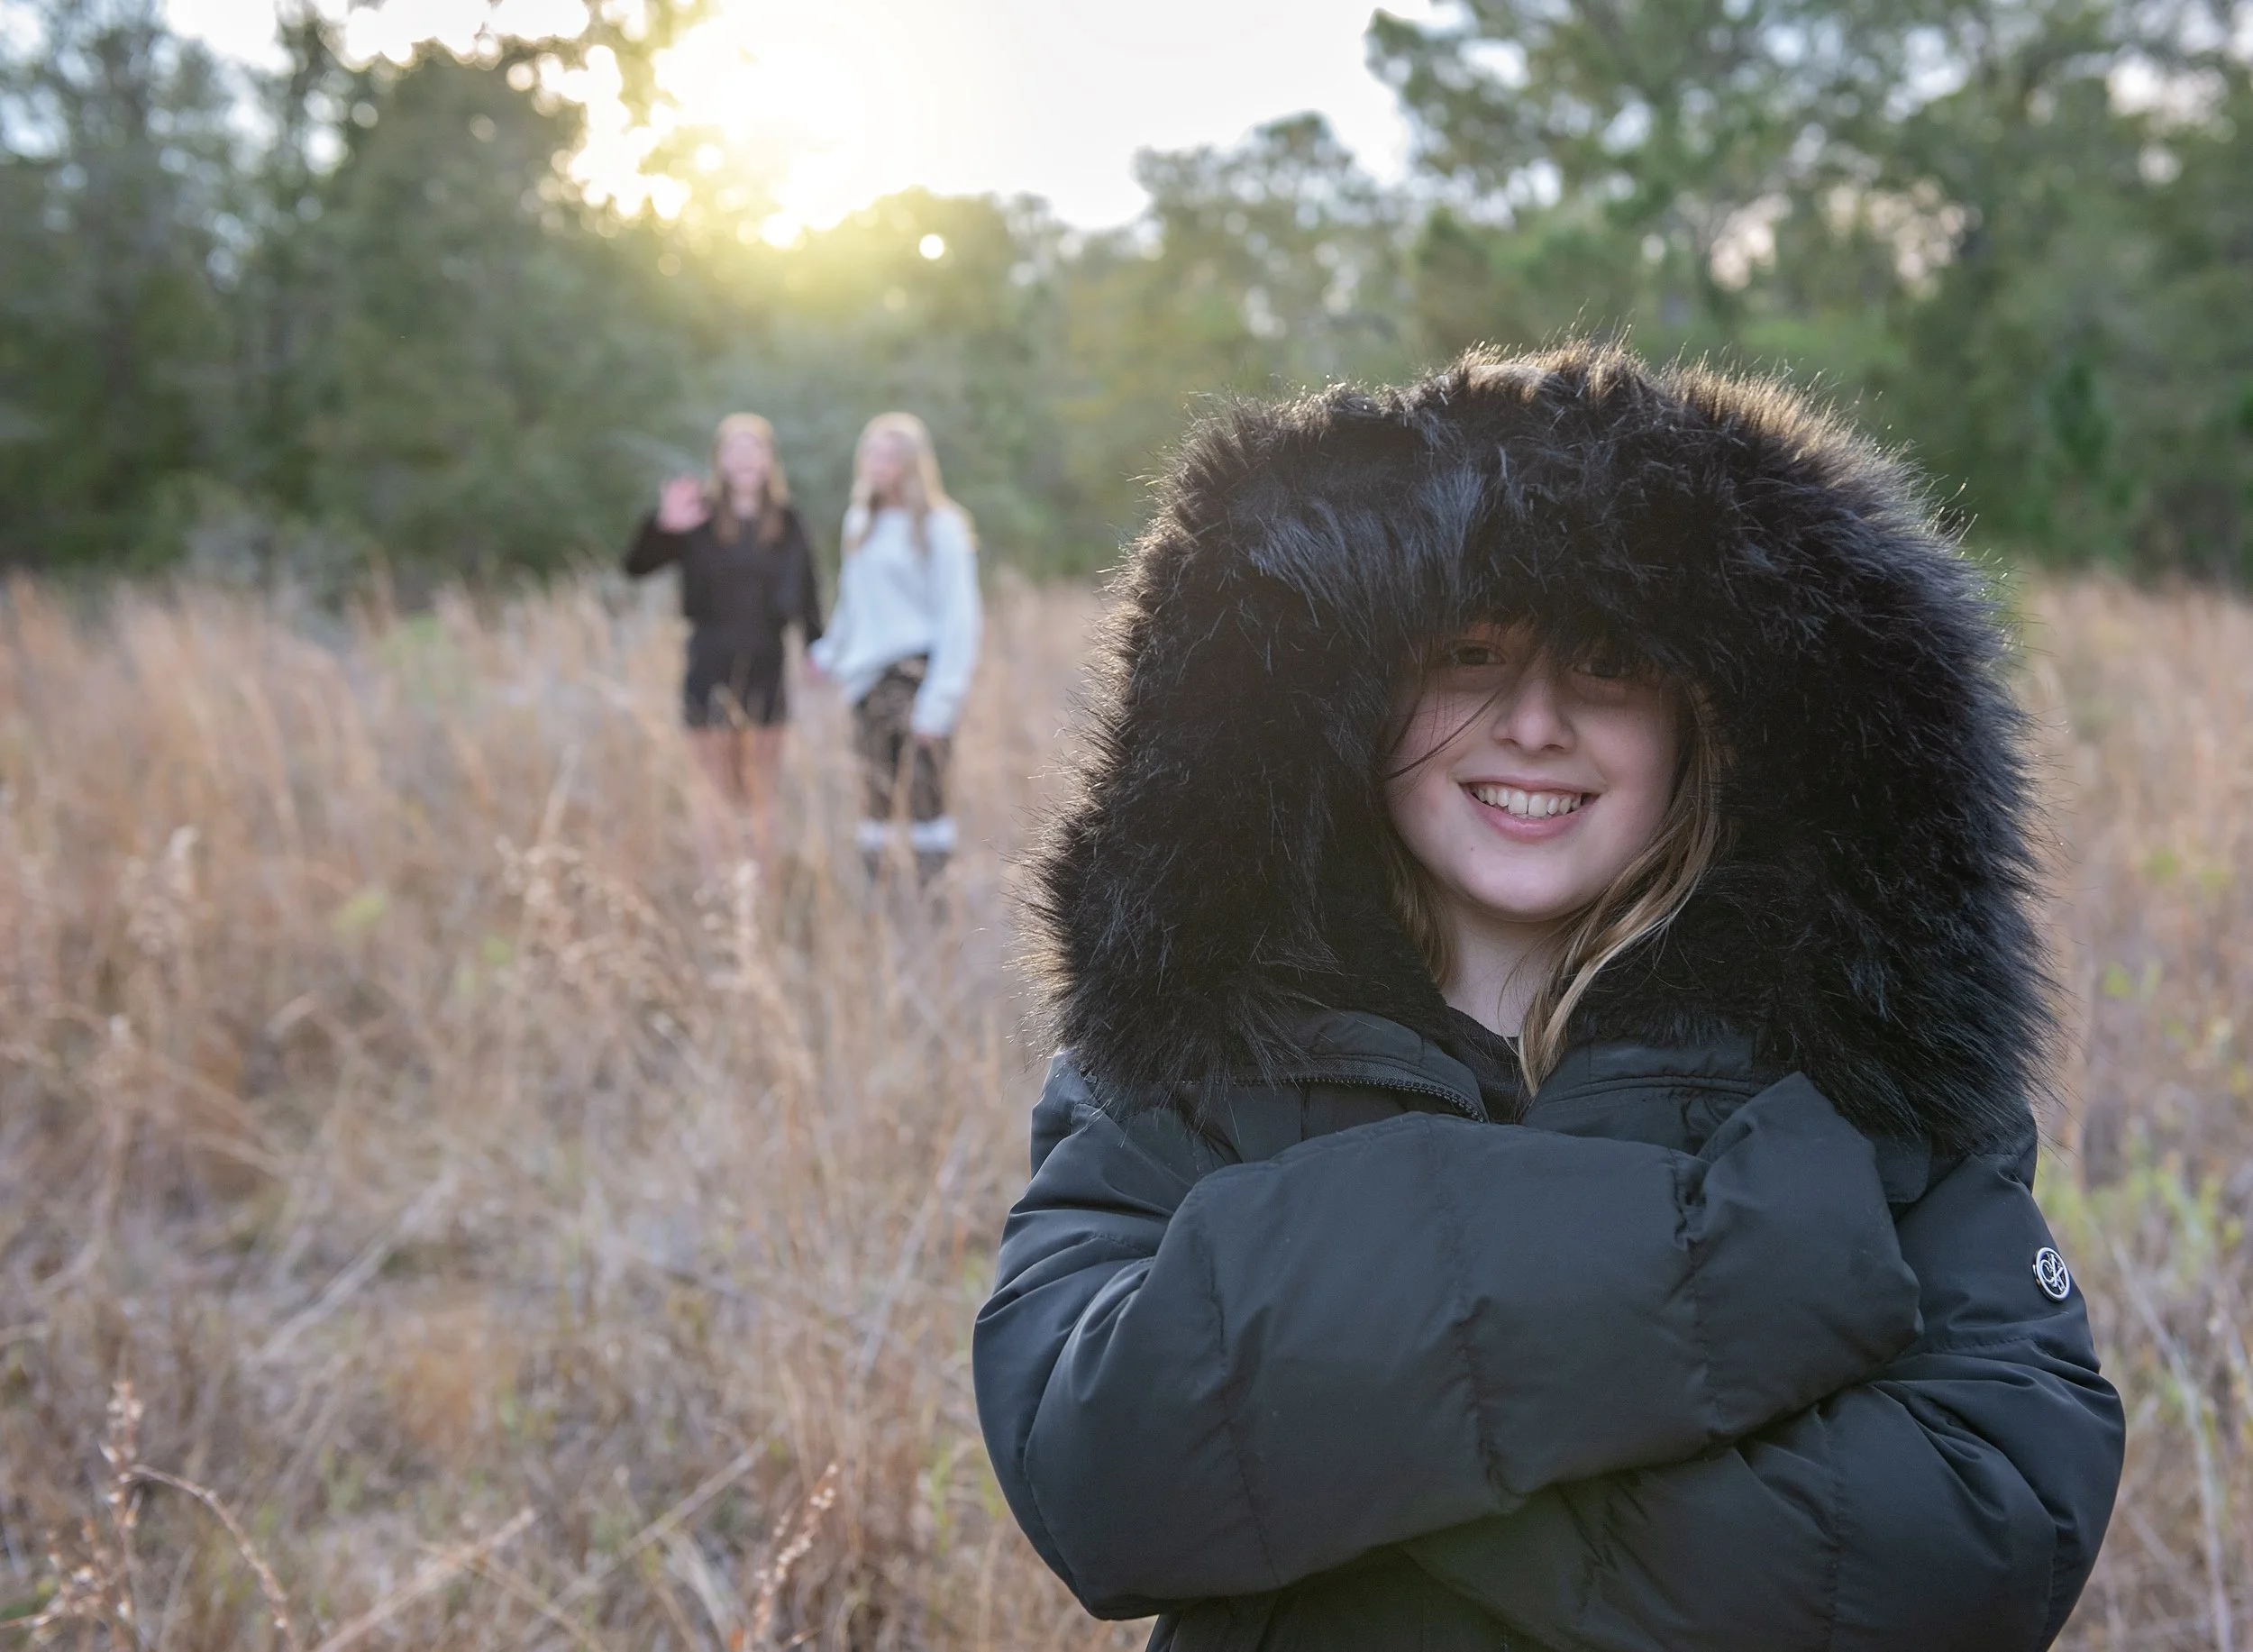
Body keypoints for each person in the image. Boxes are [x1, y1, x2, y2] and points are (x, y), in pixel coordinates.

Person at [973, 344, 2123, 1651]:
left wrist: (1353, 1446)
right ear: (1362, 693)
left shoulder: (1860, 1052)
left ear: (1706, 719)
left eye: (1610, 663)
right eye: (1470, 652)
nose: (1534, 722)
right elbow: (1102, 1466)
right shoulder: (1191, 1035)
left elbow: (1983, 1534)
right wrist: (1728, 1256)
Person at [625, 413, 823, 863]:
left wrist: (815, 647)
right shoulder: (696, 515)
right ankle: (718, 894)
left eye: (755, 448)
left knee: (761, 789)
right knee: (712, 789)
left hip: (768, 662)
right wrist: (663, 527)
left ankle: (760, 894)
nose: (746, 458)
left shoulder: (789, 522)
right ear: (720, 460)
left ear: (770, 458)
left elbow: (810, 592)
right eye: (735, 449)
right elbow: (636, 567)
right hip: (709, 661)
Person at [808, 411, 982, 886]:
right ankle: (877, 907)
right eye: (871, 451)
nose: (878, 462)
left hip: (917, 676)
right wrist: (828, 651)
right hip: (867, 679)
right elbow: (853, 601)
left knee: (927, 798)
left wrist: (939, 702)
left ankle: (935, 905)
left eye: (891, 454)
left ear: (912, 463)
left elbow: (960, 617)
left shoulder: (942, 526)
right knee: (874, 796)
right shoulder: (860, 520)